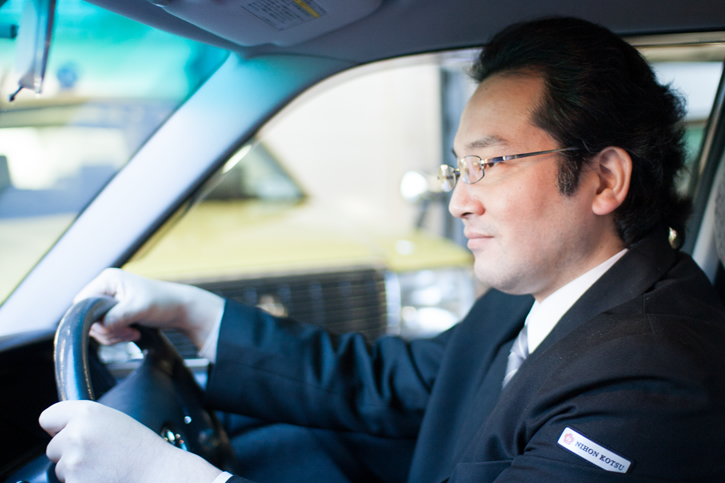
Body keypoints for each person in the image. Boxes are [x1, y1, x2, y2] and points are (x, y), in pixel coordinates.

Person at [39, 16, 725, 483]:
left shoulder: (651, 375)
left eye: (488, 164)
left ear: (604, 179)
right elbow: (393, 382)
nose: (459, 201)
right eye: (459, 168)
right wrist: (193, 313)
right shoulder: (539, 296)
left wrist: (169, 475)